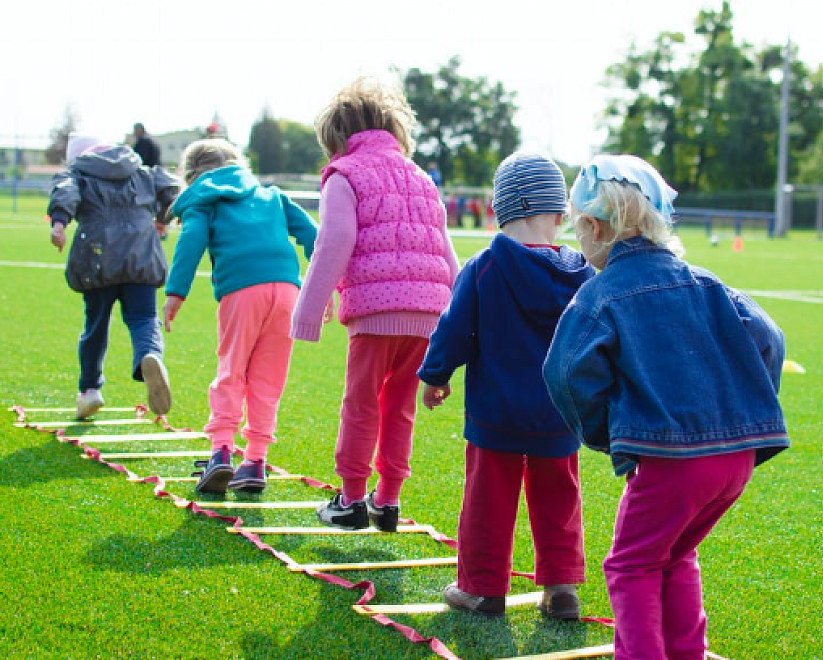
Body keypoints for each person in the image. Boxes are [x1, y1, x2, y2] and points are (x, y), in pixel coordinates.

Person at [542, 155, 789, 660]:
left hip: (671, 462)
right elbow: (769, 337)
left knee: (631, 565)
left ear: (593, 226)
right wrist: (742, 406)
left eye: (578, 227)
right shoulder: (707, 281)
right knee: (675, 555)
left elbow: (564, 371)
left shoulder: (600, 293)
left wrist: (606, 432)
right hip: (735, 460)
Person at [418, 152, 595, 620]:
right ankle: (561, 588)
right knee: (560, 498)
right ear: (559, 214)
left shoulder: (484, 267)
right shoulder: (583, 273)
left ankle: (482, 588)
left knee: (487, 501)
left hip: (495, 412)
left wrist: (435, 375)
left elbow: (454, 329)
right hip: (560, 413)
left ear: (497, 210)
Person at [291, 77, 459, 531]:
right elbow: (446, 251)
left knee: (361, 403)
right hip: (429, 314)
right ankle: (387, 500)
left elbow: (335, 241)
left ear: (337, 138)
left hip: (376, 311)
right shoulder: (421, 177)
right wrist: (460, 321)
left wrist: (309, 309)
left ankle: (349, 500)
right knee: (399, 406)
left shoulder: (344, 175)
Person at [162, 139, 318, 493]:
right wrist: (324, 286)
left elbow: (192, 240)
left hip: (242, 290)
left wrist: (176, 292)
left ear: (192, 175)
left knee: (231, 369)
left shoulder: (204, 199)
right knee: (268, 378)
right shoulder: (272, 195)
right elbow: (314, 235)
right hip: (287, 292)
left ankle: (220, 452)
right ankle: (255, 461)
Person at [47, 133, 180, 419]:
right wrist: (161, 219)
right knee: (144, 318)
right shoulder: (139, 169)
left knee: (96, 324)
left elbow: (66, 191)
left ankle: (90, 390)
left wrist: (59, 223)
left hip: (98, 256)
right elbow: (171, 188)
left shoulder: (78, 173)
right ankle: (150, 355)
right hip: (142, 253)